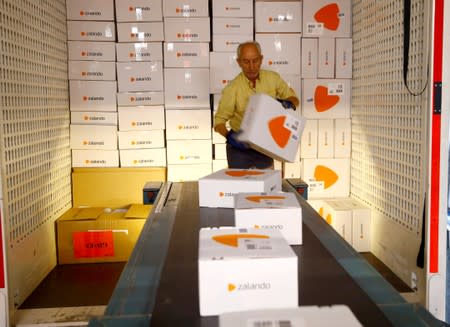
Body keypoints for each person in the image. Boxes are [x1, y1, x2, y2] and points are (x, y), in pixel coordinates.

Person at [214, 41, 300, 169]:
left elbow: (295, 99)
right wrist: (230, 137)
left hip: (265, 145)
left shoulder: (273, 78)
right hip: (240, 148)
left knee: (267, 184)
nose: (251, 66)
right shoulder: (232, 88)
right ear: (239, 62)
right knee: (241, 187)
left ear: (261, 59)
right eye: (246, 61)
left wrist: (288, 103)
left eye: (255, 60)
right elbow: (218, 122)